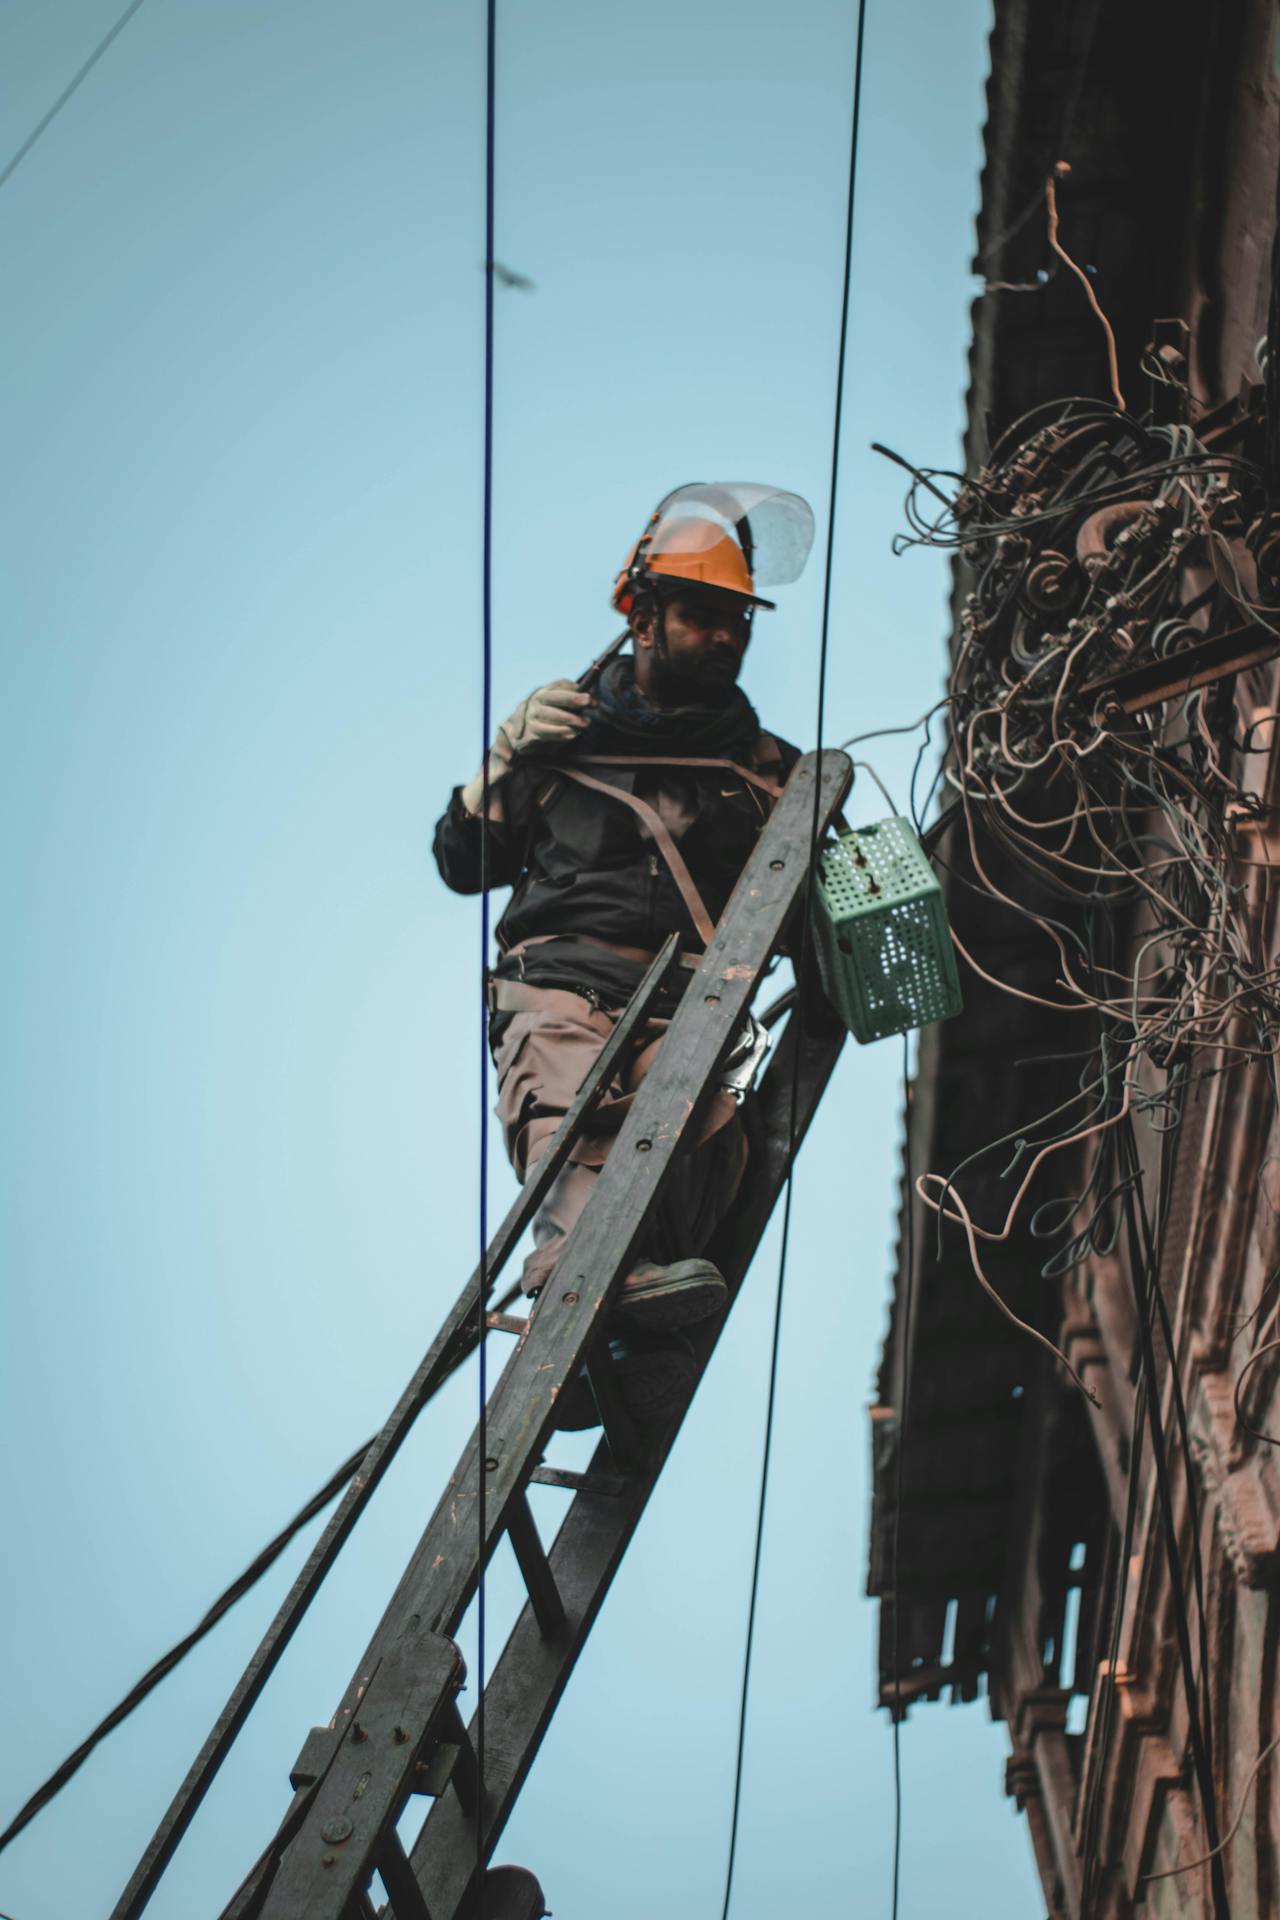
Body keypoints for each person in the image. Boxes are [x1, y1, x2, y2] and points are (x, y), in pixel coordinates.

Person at [433, 483, 814, 1424]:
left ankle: (617, 1337)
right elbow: (461, 862)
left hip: (690, 1009)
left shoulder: (766, 771)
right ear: (642, 617)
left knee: (704, 1152)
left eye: (738, 621)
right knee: (574, 1137)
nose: (726, 636)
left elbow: (810, 912)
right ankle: (572, 1306)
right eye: (701, 616)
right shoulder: (563, 740)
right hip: (563, 985)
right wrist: (502, 763)